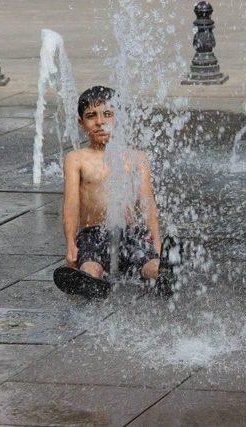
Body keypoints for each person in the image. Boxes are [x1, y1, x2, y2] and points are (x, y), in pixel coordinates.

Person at [54, 85, 177, 298]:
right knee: (91, 266)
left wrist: (156, 241)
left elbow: (147, 204)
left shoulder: (137, 158)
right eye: (91, 116)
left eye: (108, 114)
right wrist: (71, 245)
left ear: (118, 118)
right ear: (81, 123)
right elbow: (71, 205)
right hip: (94, 234)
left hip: (130, 232)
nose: (100, 122)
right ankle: (92, 283)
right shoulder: (76, 159)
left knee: (150, 263)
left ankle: (163, 275)